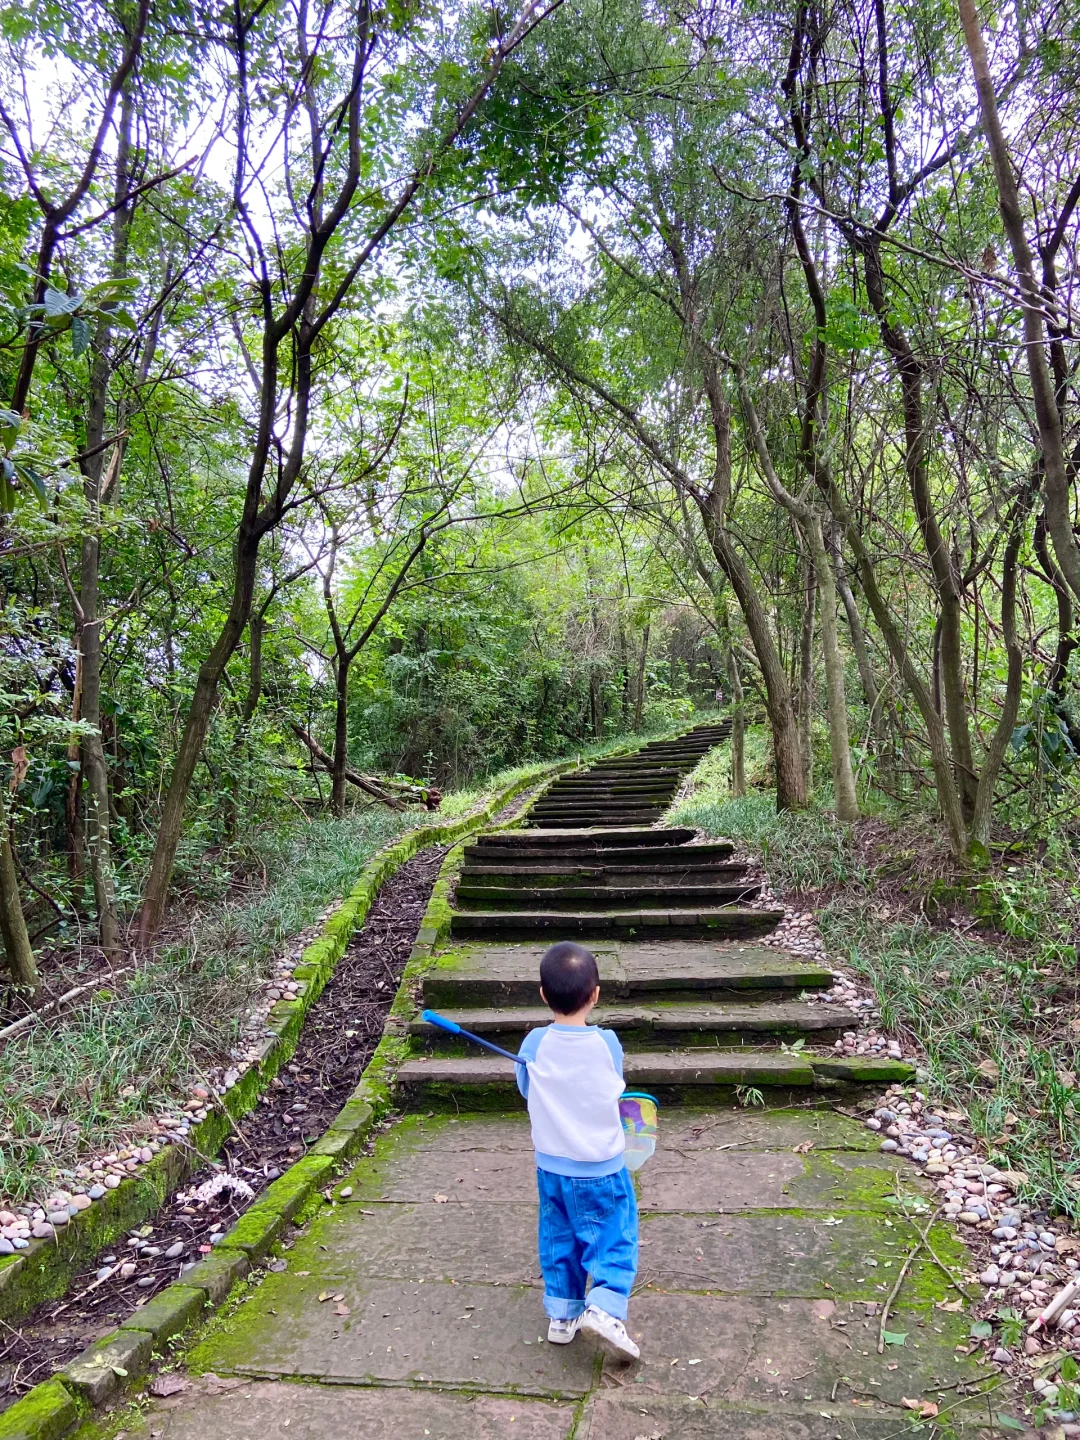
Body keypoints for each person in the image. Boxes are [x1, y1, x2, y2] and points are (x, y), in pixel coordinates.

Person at [515, 940, 640, 1361]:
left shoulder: (532, 1045)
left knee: (559, 1239)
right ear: (595, 994)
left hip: (552, 1167)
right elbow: (614, 1086)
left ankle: (563, 1315)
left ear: (544, 994)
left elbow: (526, 1088)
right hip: (602, 1166)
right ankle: (604, 1308)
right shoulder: (608, 1043)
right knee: (613, 1238)